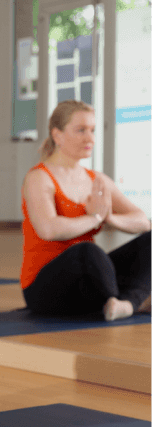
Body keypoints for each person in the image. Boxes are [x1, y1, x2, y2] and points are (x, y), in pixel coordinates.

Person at [21, 100, 151, 321]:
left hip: (91, 281)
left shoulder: (96, 180)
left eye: (92, 130)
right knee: (87, 252)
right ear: (57, 135)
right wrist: (95, 217)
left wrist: (109, 217)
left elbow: (143, 222)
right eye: (81, 130)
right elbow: (48, 229)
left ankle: (125, 304)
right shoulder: (39, 178)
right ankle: (134, 300)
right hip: (44, 289)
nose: (90, 138)